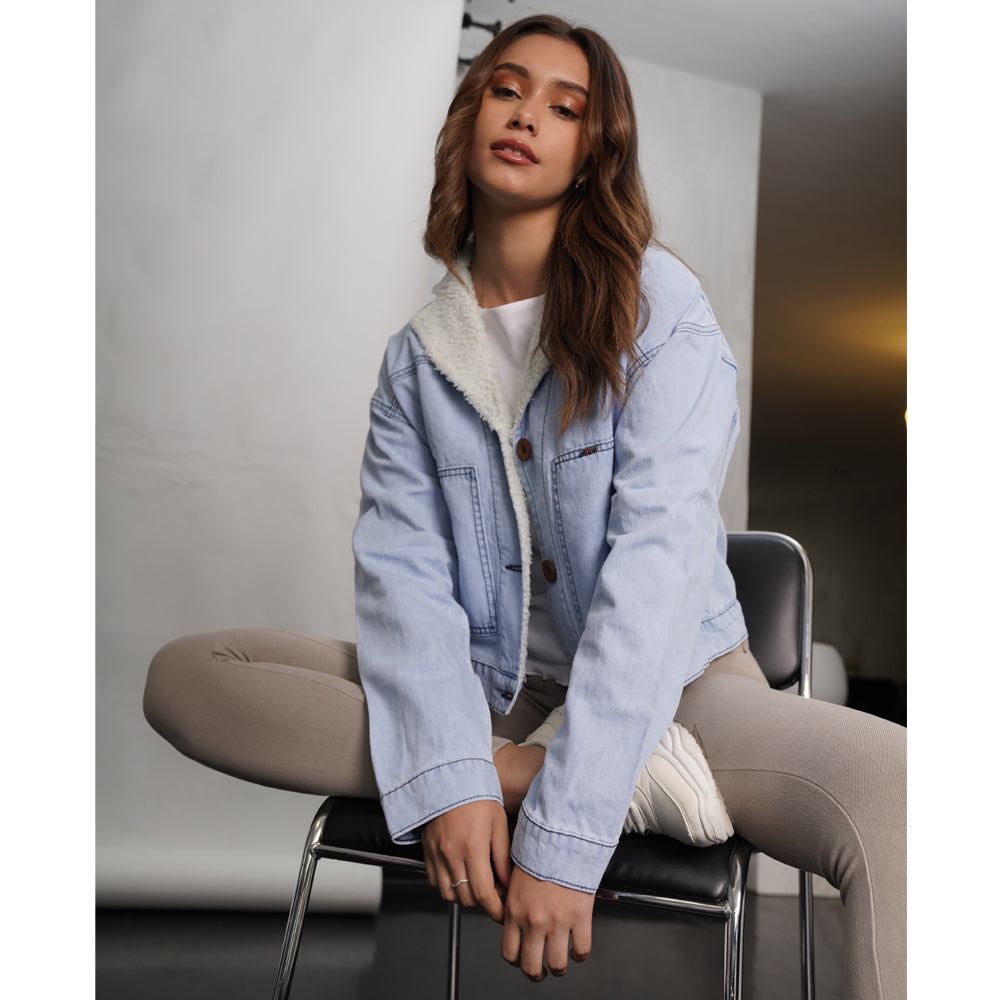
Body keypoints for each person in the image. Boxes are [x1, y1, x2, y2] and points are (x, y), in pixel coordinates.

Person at [144, 14, 905, 997]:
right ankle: (523, 766)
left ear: (595, 153)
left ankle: (603, 768)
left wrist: (567, 830)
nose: (527, 115)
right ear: (469, 116)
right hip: (498, 689)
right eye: (505, 89)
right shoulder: (417, 364)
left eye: (565, 106)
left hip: (676, 687)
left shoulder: (661, 310)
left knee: (902, 793)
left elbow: (655, 573)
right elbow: (405, 587)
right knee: (191, 676)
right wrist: (463, 774)